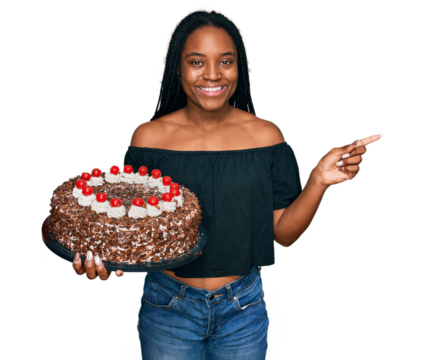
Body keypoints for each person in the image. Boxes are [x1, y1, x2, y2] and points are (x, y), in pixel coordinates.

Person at [70, 7, 385, 359]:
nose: (212, 74)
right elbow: (132, 234)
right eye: (196, 61)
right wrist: (107, 264)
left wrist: (319, 181)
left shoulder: (268, 136)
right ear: (177, 67)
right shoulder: (148, 138)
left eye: (225, 61)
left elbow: (284, 234)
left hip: (243, 308)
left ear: (240, 67)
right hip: (167, 306)